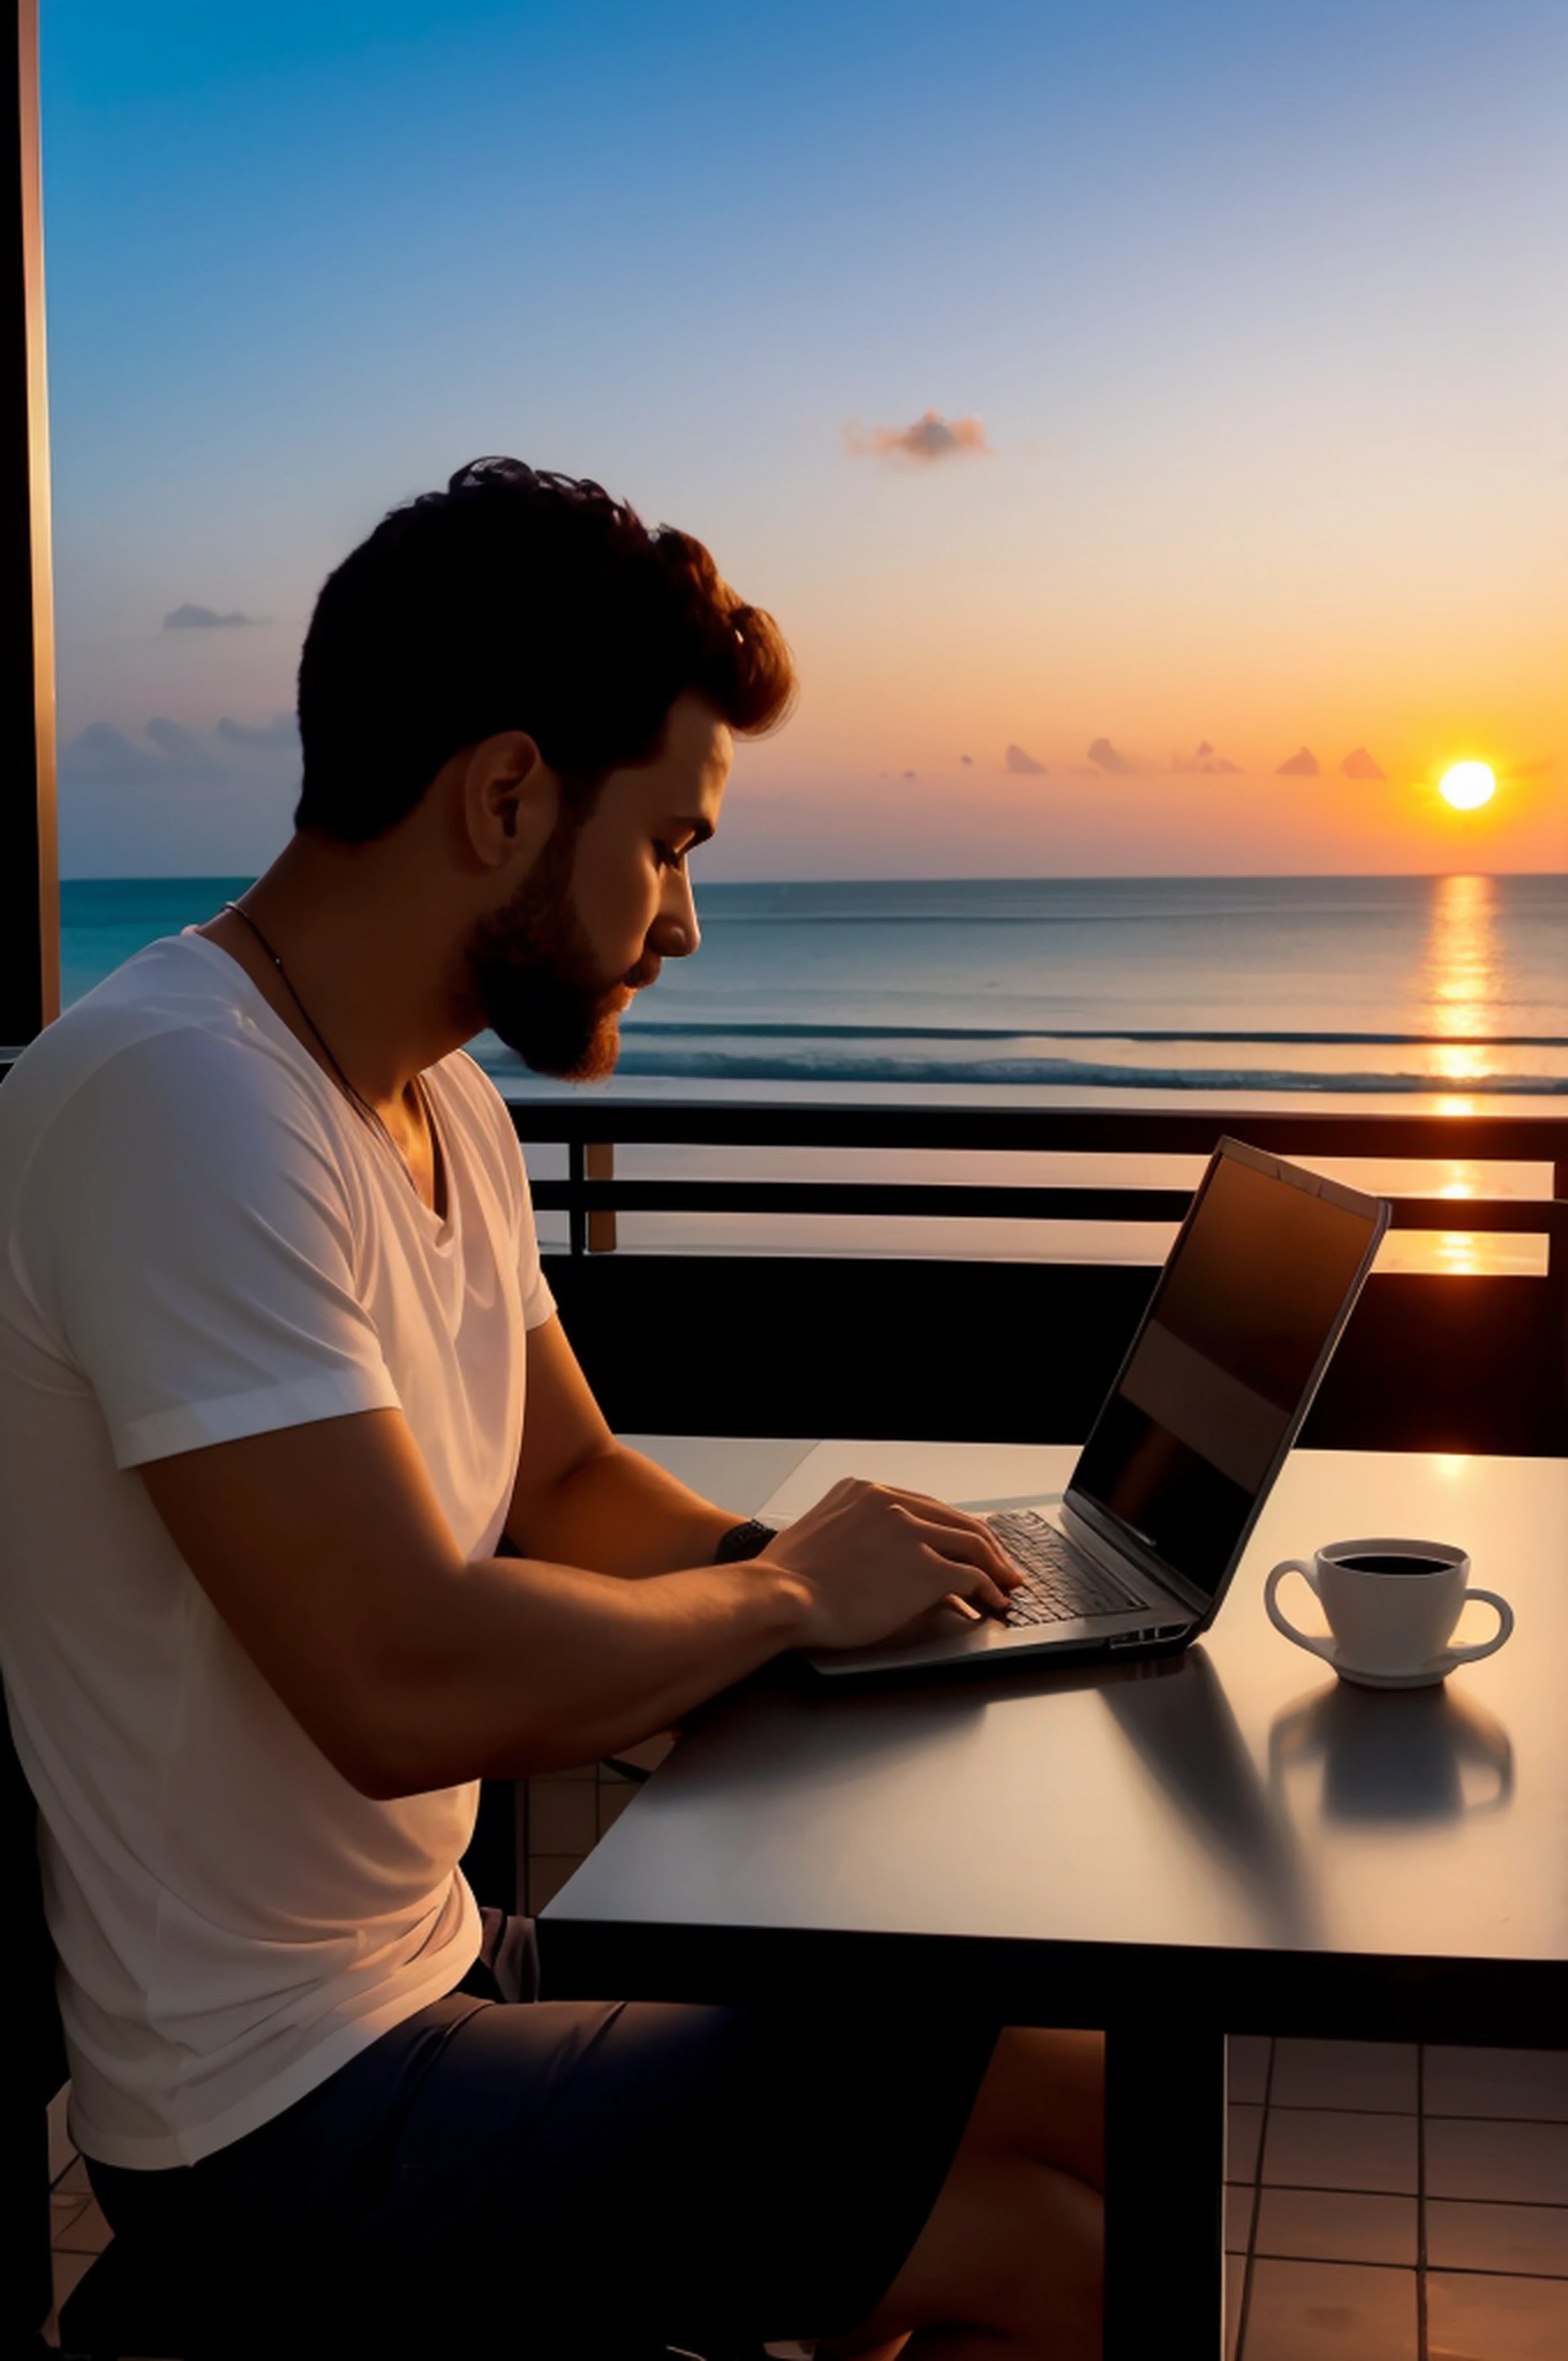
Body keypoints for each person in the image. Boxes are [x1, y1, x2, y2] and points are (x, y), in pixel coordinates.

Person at [0, 459, 1102, 2359]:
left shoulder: (445, 1105)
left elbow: (569, 1476)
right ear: (507, 793)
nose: (681, 925)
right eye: (670, 844)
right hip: (274, 2116)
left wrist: (861, 1588)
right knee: (1064, 2249)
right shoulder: (173, 1099)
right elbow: (395, 1681)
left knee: (1085, 2086)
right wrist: (779, 1602)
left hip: (435, 1987)